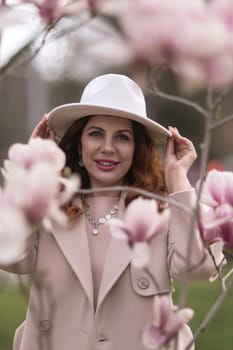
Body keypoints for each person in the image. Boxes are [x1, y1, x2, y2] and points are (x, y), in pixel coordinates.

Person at [2, 74, 223, 350]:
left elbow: (197, 269)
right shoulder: (49, 208)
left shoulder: (159, 211)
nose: (108, 148)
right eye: (96, 133)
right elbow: (12, 259)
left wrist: (178, 178)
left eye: (122, 137)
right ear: (79, 145)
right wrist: (34, 170)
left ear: (136, 149)